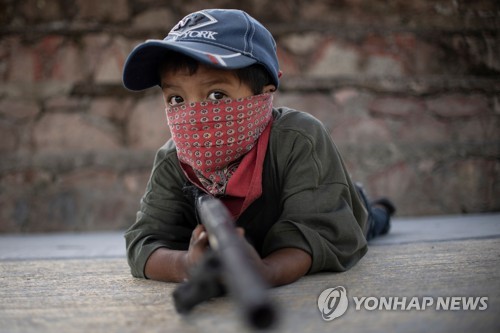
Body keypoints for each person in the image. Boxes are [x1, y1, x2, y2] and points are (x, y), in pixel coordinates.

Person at [122, 9, 395, 287]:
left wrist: (267, 272)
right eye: (177, 99)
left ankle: (380, 209)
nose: (195, 113)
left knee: (371, 221)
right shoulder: (172, 160)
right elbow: (143, 243)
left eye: (217, 95)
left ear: (263, 96)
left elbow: (322, 230)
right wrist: (187, 264)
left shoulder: (300, 138)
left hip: (334, 201)